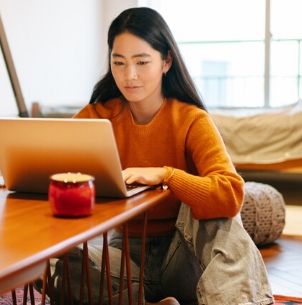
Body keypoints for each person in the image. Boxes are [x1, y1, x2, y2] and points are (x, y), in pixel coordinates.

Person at [47, 7, 274, 305]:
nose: (129, 75)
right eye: (119, 63)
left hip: (184, 258)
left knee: (218, 218)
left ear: (166, 61)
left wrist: (168, 176)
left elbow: (231, 194)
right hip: (124, 258)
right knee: (51, 263)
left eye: (142, 62)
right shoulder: (96, 118)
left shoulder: (191, 119)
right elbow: (52, 170)